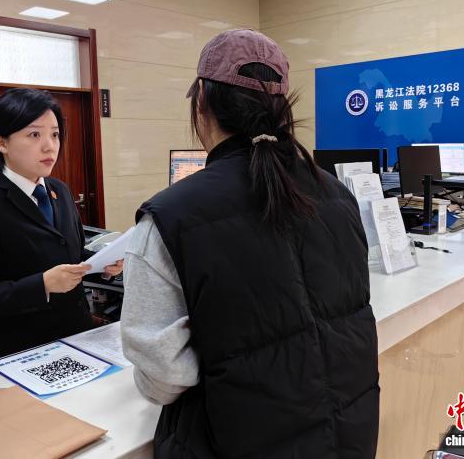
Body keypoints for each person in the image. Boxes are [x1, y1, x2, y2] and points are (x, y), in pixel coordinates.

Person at [120, 29, 379, 458]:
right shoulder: (338, 194)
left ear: (201, 100)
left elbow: (163, 378)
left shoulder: (169, 217)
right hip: (350, 438)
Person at [0, 88, 119, 365]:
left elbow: (70, 256)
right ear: (2, 143)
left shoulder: (60, 191)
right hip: (21, 353)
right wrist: (42, 285)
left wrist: (104, 267)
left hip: (76, 340)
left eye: (55, 134)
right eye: (34, 135)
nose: (50, 146)